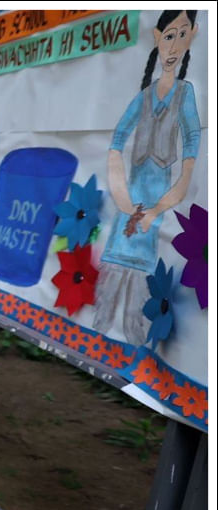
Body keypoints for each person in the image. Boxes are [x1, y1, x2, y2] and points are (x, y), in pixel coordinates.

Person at [95, 10, 199, 345]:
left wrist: (159, 207)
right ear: (157, 38)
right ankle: (98, 338)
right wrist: (122, 195)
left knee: (140, 279)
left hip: (155, 203)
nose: (174, 45)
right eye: (169, 35)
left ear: (193, 36)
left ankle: (133, 344)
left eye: (183, 35)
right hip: (130, 198)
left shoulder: (185, 94)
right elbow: (117, 139)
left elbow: (191, 148)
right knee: (111, 276)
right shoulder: (142, 96)